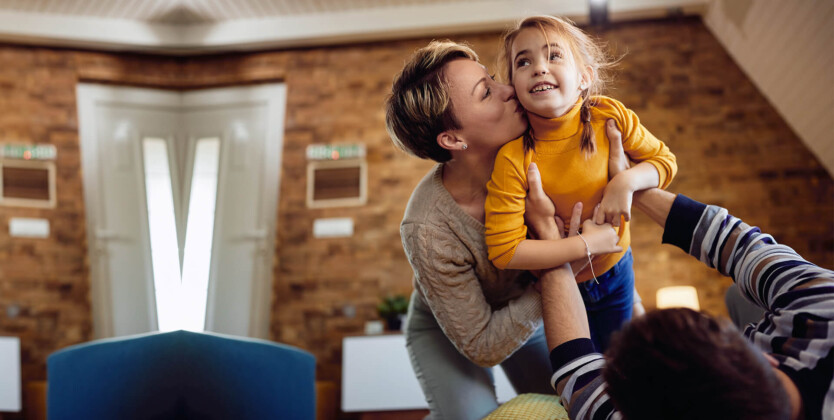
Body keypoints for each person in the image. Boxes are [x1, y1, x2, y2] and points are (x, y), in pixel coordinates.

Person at [530, 131, 834, 419]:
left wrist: (549, 240)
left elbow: (576, 375)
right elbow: (739, 244)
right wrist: (631, 186)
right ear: (767, 359)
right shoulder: (824, 306)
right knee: (738, 294)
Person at [484, 15, 678, 352]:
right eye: (524, 61)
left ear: (585, 77)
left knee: (623, 360)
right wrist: (585, 246)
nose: (539, 68)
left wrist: (626, 182)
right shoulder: (512, 158)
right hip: (560, 284)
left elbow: (664, 162)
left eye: (554, 56)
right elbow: (503, 250)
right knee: (582, 368)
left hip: (616, 269)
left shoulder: (610, 117)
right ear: (513, 86)